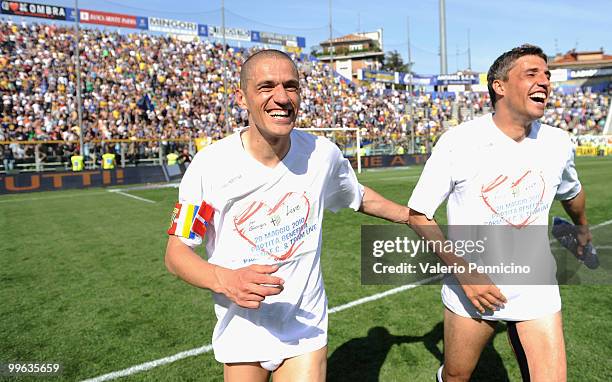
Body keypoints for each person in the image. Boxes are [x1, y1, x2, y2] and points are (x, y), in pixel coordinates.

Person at [164, 49, 412, 382]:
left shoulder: (321, 155)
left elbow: (359, 196)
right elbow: (176, 253)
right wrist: (227, 280)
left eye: (291, 86)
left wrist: (412, 216)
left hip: (304, 328)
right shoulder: (209, 167)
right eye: (266, 86)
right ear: (242, 97)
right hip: (242, 330)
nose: (282, 97)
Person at [407, 44, 591, 382]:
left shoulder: (558, 143)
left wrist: (581, 226)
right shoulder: (459, 142)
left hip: (536, 285)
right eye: (532, 74)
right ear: (499, 86)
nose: (545, 82)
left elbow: (572, 192)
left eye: (547, 75)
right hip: (474, 287)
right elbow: (419, 214)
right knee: (456, 376)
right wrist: (465, 274)